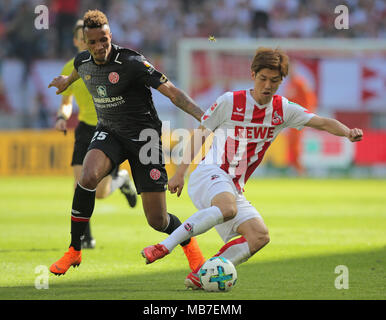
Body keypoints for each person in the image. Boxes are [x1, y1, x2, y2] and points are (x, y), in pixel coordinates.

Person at [141, 47, 363, 289]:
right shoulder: (230, 101)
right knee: (227, 207)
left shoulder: (283, 109)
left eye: (274, 81)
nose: (267, 85)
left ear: (281, 81)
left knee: (259, 236)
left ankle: (202, 274)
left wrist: (348, 132)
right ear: (253, 74)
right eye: (263, 78)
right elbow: (199, 135)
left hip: (234, 187)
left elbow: (322, 122)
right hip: (209, 173)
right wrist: (180, 173)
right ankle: (164, 246)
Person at [48, 9, 205, 276]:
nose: (99, 47)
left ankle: (191, 248)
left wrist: (205, 116)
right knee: (87, 177)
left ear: (111, 36)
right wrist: (65, 82)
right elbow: (76, 72)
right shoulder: (82, 61)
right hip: (110, 132)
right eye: (93, 42)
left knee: (158, 220)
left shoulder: (132, 62)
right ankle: (74, 250)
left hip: (145, 139)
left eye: (104, 40)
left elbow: (173, 93)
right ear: (85, 42)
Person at [55, 19, 137, 250]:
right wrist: (62, 117)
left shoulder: (109, 63)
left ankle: (121, 179)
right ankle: (85, 237)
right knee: (80, 184)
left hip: (109, 129)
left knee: (99, 193)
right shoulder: (70, 67)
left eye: (91, 40)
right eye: (83, 39)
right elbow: (67, 102)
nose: (87, 43)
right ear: (76, 40)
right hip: (85, 129)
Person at [284, 61, 318, 175]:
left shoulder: (300, 83)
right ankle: (295, 167)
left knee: (296, 143)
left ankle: (299, 170)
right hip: (291, 119)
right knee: (291, 143)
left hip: (299, 117)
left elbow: (310, 99)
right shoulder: (289, 84)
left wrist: (308, 114)